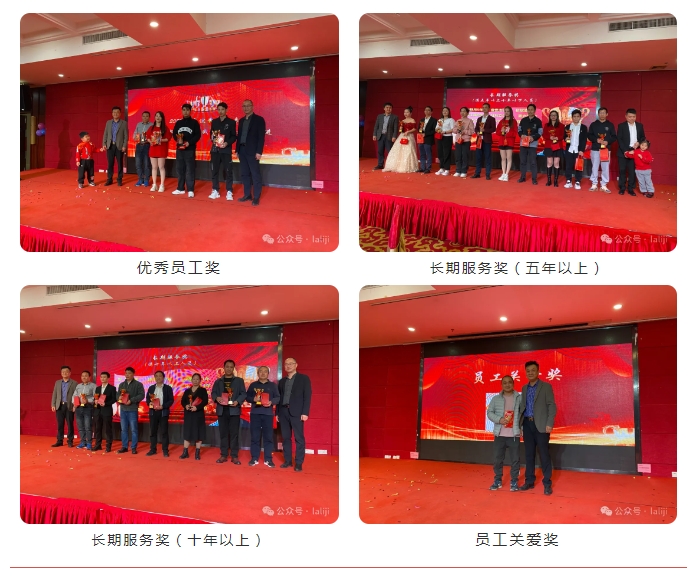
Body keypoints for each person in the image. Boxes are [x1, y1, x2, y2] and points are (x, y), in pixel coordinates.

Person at [518, 361, 557, 495]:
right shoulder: (524, 388)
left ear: (538, 371)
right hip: (527, 424)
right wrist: (520, 424)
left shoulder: (546, 386)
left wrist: (549, 423)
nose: (530, 373)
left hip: (541, 424)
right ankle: (529, 481)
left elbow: (551, 405)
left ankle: (547, 483)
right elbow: (523, 407)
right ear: (525, 372)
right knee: (529, 454)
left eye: (533, 370)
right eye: (528, 371)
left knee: (544, 454)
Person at [486, 375, 522, 491]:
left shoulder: (520, 398)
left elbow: (523, 414)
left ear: (513, 384)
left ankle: (514, 481)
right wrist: (499, 419)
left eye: (510, 382)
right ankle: (497, 480)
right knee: (498, 460)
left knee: (515, 460)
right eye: (505, 383)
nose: (507, 385)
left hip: (514, 435)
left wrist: (521, 428)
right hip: (499, 435)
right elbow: (489, 412)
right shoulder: (495, 399)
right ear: (501, 385)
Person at [277, 358, 312, 471]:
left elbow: (307, 396)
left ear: (296, 365)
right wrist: (277, 413)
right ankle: (287, 461)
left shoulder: (304, 379)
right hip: (283, 412)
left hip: (297, 413)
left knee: (299, 438)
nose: (288, 366)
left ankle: (298, 462)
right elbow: (279, 398)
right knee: (286, 438)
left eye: (291, 364)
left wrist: (305, 412)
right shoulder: (282, 381)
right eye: (286, 364)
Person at [211, 360, 246, 464]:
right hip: (222, 410)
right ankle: (224, 455)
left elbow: (243, 394)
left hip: (234, 410)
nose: (229, 369)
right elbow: (213, 393)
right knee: (223, 433)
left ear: (233, 368)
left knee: (234, 434)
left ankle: (234, 456)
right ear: (224, 368)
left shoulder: (239, 381)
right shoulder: (218, 381)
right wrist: (217, 398)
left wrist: (238, 401)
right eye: (227, 366)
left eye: (231, 367)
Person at [246, 366, 281, 467]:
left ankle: (268, 459)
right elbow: (247, 397)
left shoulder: (273, 385)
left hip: (268, 414)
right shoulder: (253, 385)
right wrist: (253, 399)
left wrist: (271, 402)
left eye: (265, 371)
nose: (263, 373)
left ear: (268, 373)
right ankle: (254, 458)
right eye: (261, 371)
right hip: (255, 414)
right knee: (255, 437)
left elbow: (278, 398)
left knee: (268, 437)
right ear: (258, 373)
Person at [236, 100, 267, 206]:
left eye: (248, 106)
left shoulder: (259, 120)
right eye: (244, 106)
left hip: (253, 152)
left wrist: (259, 152)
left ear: (252, 106)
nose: (246, 108)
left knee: (255, 174)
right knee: (245, 174)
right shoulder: (241, 121)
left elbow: (261, 137)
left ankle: (256, 197)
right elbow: (239, 137)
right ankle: (247, 194)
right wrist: (237, 150)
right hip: (242, 151)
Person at [208, 102, 237, 200]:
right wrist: (213, 139)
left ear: (226, 110)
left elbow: (234, 137)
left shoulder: (231, 122)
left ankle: (229, 191)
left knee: (228, 171)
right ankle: (215, 190)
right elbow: (212, 134)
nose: (220, 111)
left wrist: (227, 143)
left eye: (222, 109)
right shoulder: (214, 122)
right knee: (214, 171)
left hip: (226, 151)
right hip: (215, 150)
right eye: (219, 109)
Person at [172, 103, 201, 198]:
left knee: (190, 170)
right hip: (180, 150)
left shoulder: (194, 123)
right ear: (182, 111)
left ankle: (190, 189)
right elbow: (174, 134)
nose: (185, 112)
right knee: (180, 169)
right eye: (184, 110)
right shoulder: (178, 123)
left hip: (190, 150)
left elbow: (198, 135)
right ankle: (180, 188)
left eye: (187, 110)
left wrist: (189, 142)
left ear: (190, 111)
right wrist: (178, 140)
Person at [616, 108, 646, 196]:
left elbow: (643, 137)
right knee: (622, 170)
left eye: (633, 116)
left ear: (636, 116)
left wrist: (639, 143)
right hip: (623, 151)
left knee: (632, 171)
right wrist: (625, 151)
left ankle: (630, 188)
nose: (632, 118)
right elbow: (619, 139)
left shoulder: (640, 126)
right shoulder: (621, 126)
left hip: (635, 151)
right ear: (626, 116)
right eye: (630, 117)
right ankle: (622, 188)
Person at [115, 367, 145, 454]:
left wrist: (131, 400)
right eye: (126, 373)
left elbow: (141, 395)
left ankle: (133, 447)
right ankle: (124, 446)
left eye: (129, 373)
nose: (127, 375)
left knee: (134, 429)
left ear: (133, 374)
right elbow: (117, 395)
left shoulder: (138, 384)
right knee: (123, 429)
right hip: (123, 409)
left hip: (132, 409)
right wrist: (119, 397)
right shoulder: (121, 385)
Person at [587, 107, 617, 193]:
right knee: (595, 167)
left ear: (607, 114)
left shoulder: (610, 125)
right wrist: (596, 140)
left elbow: (614, 137)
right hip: (595, 149)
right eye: (600, 113)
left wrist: (608, 141)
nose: (602, 114)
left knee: (605, 167)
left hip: (606, 149)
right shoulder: (593, 124)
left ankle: (604, 184)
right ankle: (594, 184)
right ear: (598, 114)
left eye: (604, 113)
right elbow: (589, 135)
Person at [180, 373, 209, 460]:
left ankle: (197, 453)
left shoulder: (203, 390)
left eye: (197, 379)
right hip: (188, 414)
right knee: (187, 432)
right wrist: (186, 406)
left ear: (200, 381)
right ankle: (185, 452)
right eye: (194, 379)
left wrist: (197, 407)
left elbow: (205, 401)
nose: (195, 381)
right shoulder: (187, 391)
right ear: (191, 380)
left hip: (198, 414)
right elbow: (183, 401)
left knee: (198, 432)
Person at [146, 370, 174, 457]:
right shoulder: (151, 388)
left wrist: (163, 406)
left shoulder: (168, 388)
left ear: (163, 378)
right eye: (156, 376)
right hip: (153, 412)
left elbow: (171, 400)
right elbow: (147, 399)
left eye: (160, 376)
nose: (158, 377)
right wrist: (150, 403)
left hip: (163, 412)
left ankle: (165, 450)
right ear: (154, 378)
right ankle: (153, 449)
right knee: (153, 432)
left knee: (164, 432)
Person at [383, 106, 418, 173]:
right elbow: (401, 129)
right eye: (404, 112)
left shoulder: (412, 120)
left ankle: (408, 166)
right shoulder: (402, 121)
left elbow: (414, 129)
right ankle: (397, 165)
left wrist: (408, 132)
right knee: (398, 150)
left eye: (407, 112)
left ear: (410, 113)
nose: (405, 113)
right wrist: (401, 128)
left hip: (409, 136)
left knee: (409, 151)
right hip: (402, 136)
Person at [51, 366, 78, 447]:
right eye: (63, 372)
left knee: (70, 424)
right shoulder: (57, 382)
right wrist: (53, 404)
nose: (64, 373)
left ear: (70, 373)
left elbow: (76, 395)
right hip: (59, 405)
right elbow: (54, 394)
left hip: (69, 405)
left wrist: (75, 405)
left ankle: (70, 441)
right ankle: (59, 440)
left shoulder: (74, 383)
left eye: (66, 372)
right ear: (61, 373)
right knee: (60, 424)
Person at [101, 106, 128, 186]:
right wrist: (104, 144)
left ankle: (119, 179)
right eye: (114, 112)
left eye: (117, 112)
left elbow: (126, 136)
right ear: (112, 113)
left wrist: (124, 145)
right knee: (110, 164)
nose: (115, 114)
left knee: (120, 164)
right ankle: (109, 179)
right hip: (110, 146)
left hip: (119, 146)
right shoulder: (108, 123)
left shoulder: (124, 123)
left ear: (120, 113)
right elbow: (105, 134)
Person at [517, 104, 543, 185]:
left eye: (532, 109)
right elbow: (519, 130)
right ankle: (522, 177)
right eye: (529, 109)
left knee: (533, 162)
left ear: (534, 111)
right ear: (527, 110)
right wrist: (521, 135)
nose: (530, 111)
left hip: (533, 145)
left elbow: (540, 132)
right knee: (522, 161)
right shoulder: (523, 120)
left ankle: (534, 179)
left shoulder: (538, 121)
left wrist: (533, 137)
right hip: (523, 144)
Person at [563, 109, 588, 190]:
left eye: (577, 116)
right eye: (574, 116)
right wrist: (566, 139)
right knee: (568, 166)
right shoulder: (567, 127)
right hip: (569, 149)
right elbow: (564, 137)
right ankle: (568, 181)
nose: (576, 118)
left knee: (578, 166)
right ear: (572, 117)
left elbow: (584, 140)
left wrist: (582, 150)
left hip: (578, 150)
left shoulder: (583, 127)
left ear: (580, 117)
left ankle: (578, 181)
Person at [146, 111, 171, 193]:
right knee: (154, 167)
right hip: (153, 149)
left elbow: (168, 138)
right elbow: (148, 137)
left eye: (159, 116)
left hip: (161, 149)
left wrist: (159, 140)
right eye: (156, 116)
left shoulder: (165, 128)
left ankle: (162, 185)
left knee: (161, 167)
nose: (158, 117)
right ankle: (154, 184)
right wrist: (150, 141)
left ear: (162, 118)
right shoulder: (151, 128)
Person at [92, 371, 116, 452]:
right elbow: (95, 398)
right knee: (98, 429)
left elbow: (114, 399)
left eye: (104, 377)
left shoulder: (112, 388)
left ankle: (108, 446)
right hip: (98, 411)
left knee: (108, 429)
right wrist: (95, 401)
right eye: (101, 377)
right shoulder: (98, 388)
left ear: (108, 378)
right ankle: (98, 445)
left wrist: (106, 403)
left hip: (107, 411)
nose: (103, 378)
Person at [472, 103, 497, 179]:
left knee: (488, 157)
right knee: (478, 157)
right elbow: (476, 128)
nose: (484, 108)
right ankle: (477, 173)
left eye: (486, 107)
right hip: (479, 140)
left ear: (489, 109)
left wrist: (484, 130)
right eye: (483, 107)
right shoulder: (479, 118)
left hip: (487, 140)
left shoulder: (492, 119)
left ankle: (488, 174)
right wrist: (477, 132)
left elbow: (493, 129)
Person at [73, 371, 96, 449]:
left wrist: (88, 401)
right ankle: (83, 442)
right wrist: (74, 403)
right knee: (80, 426)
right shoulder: (78, 386)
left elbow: (95, 397)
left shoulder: (93, 386)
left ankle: (89, 443)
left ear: (89, 377)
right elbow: (74, 395)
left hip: (88, 408)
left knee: (88, 426)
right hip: (79, 407)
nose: (84, 377)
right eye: (82, 376)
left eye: (86, 376)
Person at [372, 102, 399, 170]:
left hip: (389, 136)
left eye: (390, 108)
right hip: (380, 136)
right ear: (384, 108)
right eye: (387, 107)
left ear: (392, 109)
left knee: (390, 151)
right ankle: (380, 164)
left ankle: (391, 165)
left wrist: (394, 136)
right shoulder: (379, 116)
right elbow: (376, 126)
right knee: (380, 151)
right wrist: (374, 134)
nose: (388, 109)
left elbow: (396, 128)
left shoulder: (395, 117)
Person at [542, 110, 566, 187]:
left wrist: (557, 138)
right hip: (549, 146)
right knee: (549, 163)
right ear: (549, 116)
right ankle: (549, 180)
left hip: (557, 146)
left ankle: (556, 180)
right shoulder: (546, 125)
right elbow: (544, 135)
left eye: (555, 115)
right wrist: (550, 137)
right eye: (552, 115)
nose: (553, 116)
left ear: (557, 116)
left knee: (556, 163)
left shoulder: (561, 125)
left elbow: (563, 135)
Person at [496, 106, 517, 181]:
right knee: (503, 158)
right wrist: (501, 131)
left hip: (510, 142)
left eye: (508, 111)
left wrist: (508, 132)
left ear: (510, 112)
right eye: (505, 111)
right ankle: (503, 173)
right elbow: (497, 132)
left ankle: (507, 174)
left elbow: (515, 133)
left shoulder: (514, 121)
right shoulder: (501, 121)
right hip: (502, 142)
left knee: (509, 158)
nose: (506, 112)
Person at [132, 111, 153, 187]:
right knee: (138, 164)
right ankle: (140, 179)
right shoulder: (138, 124)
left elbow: (153, 136)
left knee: (147, 164)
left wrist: (148, 139)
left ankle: (146, 180)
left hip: (147, 146)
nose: (145, 117)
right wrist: (135, 137)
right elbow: (134, 134)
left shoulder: (152, 125)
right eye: (143, 116)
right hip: (139, 145)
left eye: (147, 116)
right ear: (141, 117)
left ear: (149, 117)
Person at [453, 107, 475, 178]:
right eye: (461, 111)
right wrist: (458, 129)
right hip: (458, 140)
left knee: (465, 156)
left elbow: (472, 131)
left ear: (467, 113)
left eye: (464, 111)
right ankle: (458, 170)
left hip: (466, 141)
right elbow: (454, 130)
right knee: (458, 156)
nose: (462, 113)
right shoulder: (458, 121)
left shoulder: (470, 121)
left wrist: (464, 131)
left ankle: (464, 171)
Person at [416, 106, 437, 174]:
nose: (427, 111)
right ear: (424, 111)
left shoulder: (434, 120)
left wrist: (426, 134)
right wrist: (420, 132)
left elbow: (434, 130)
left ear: (431, 112)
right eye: (425, 110)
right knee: (422, 154)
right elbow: (418, 128)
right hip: (421, 139)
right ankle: (422, 167)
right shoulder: (422, 120)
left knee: (428, 154)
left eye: (428, 110)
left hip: (428, 139)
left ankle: (428, 168)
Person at [435, 107, 455, 175]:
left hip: (447, 137)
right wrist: (438, 129)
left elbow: (453, 129)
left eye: (446, 111)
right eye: (443, 111)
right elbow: (436, 129)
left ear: (449, 112)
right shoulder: (440, 120)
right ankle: (441, 168)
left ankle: (447, 169)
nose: (445, 112)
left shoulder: (451, 120)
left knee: (446, 153)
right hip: (440, 137)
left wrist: (445, 132)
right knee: (440, 153)